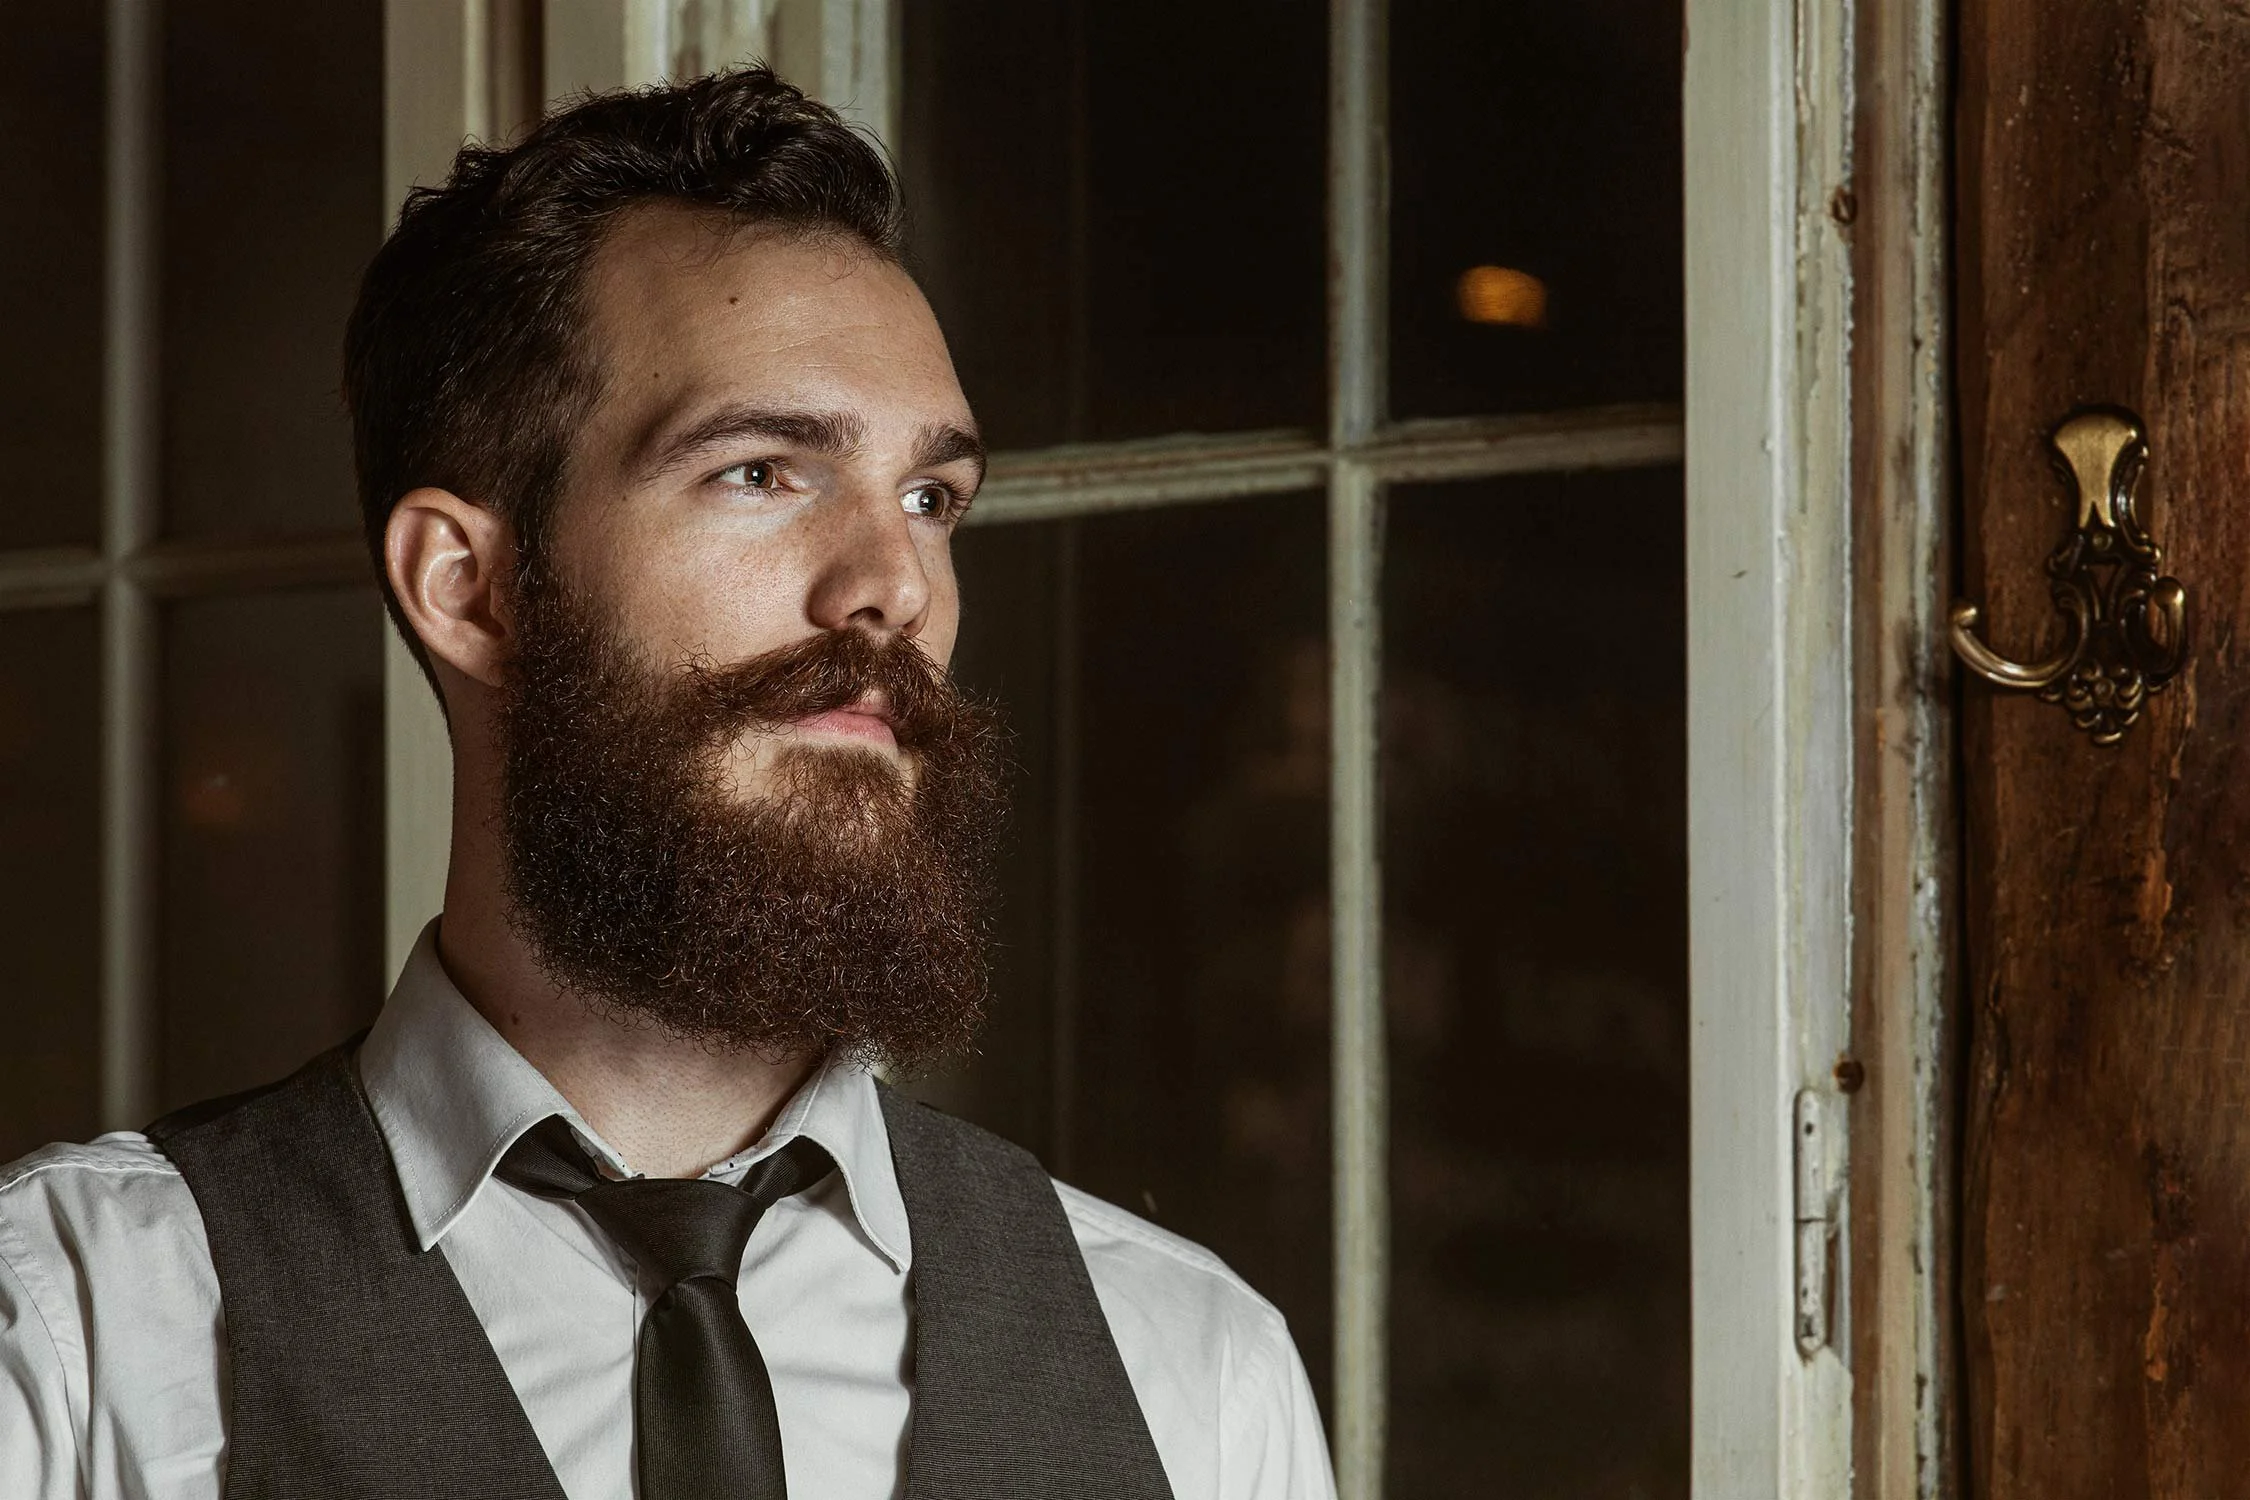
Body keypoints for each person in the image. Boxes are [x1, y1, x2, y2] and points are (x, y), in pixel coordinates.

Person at [0, 70, 1333, 1500]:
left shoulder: (1189, 1368)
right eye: (762, 472)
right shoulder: (75, 1335)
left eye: (931, 499)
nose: (893, 588)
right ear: (471, 588)